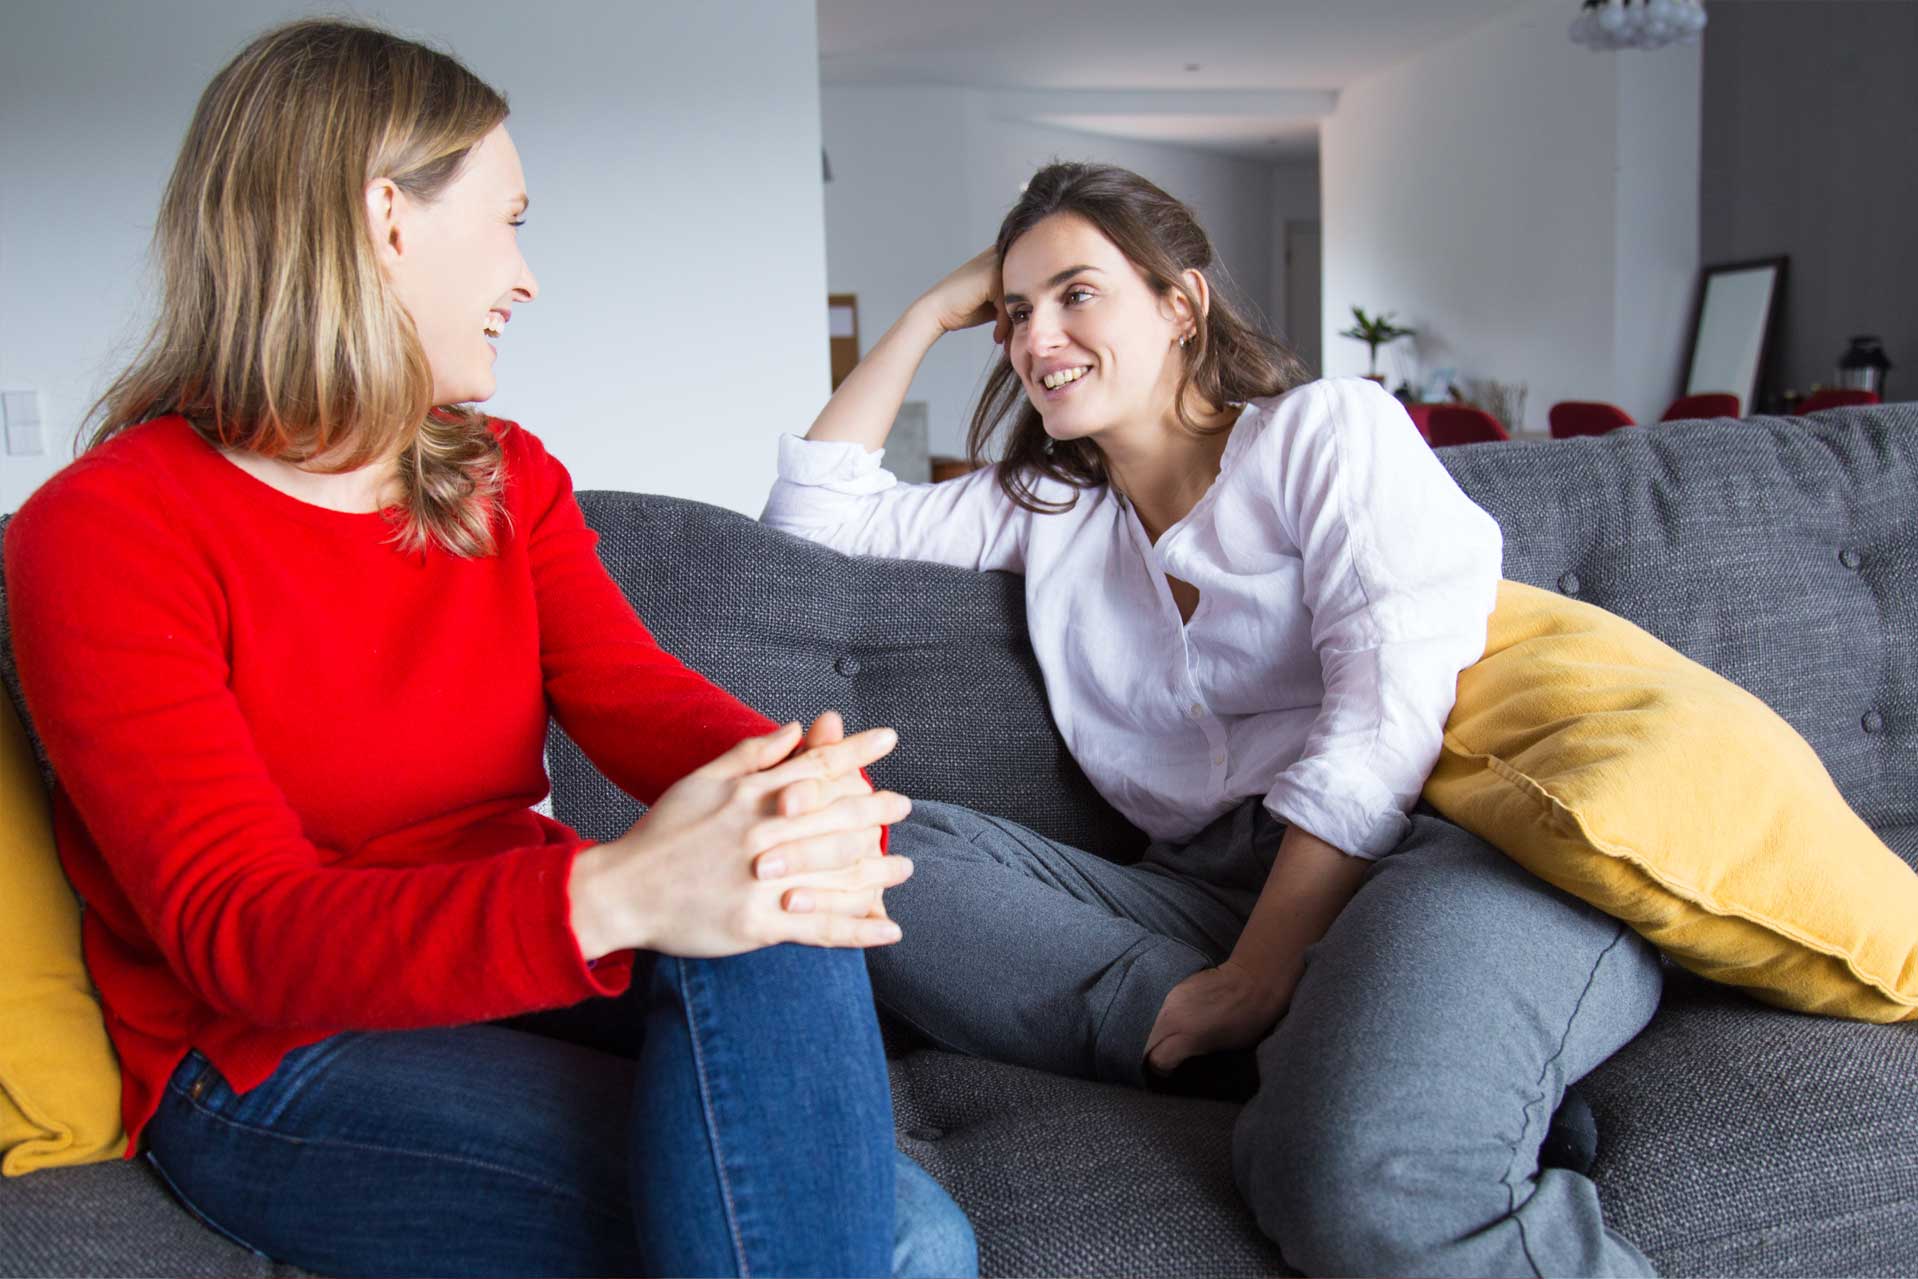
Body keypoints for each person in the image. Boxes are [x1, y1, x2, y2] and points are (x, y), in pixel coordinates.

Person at [3, 20, 977, 1279]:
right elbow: (243, 931)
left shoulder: (507, 477)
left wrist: (798, 783)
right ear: (387, 218)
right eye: (510, 219)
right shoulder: (106, 530)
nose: (526, 276)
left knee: (778, 885)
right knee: (906, 1244)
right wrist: (617, 890)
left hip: (521, 961)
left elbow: (633, 694)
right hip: (270, 1055)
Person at [762, 161, 1666, 1277]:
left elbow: (1386, 716)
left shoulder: (1323, 434)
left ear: (1181, 305)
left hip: (1436, 857)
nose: (1033, 335)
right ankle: (1331, 1046)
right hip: (1202, 887)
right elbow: (810, 526)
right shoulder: (1048, 512)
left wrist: (1259, 971)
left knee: (1359, 1180)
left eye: (1076, 293)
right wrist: (924, 315)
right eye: (1011, 311)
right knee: (877, 853)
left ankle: (1333, 1044)